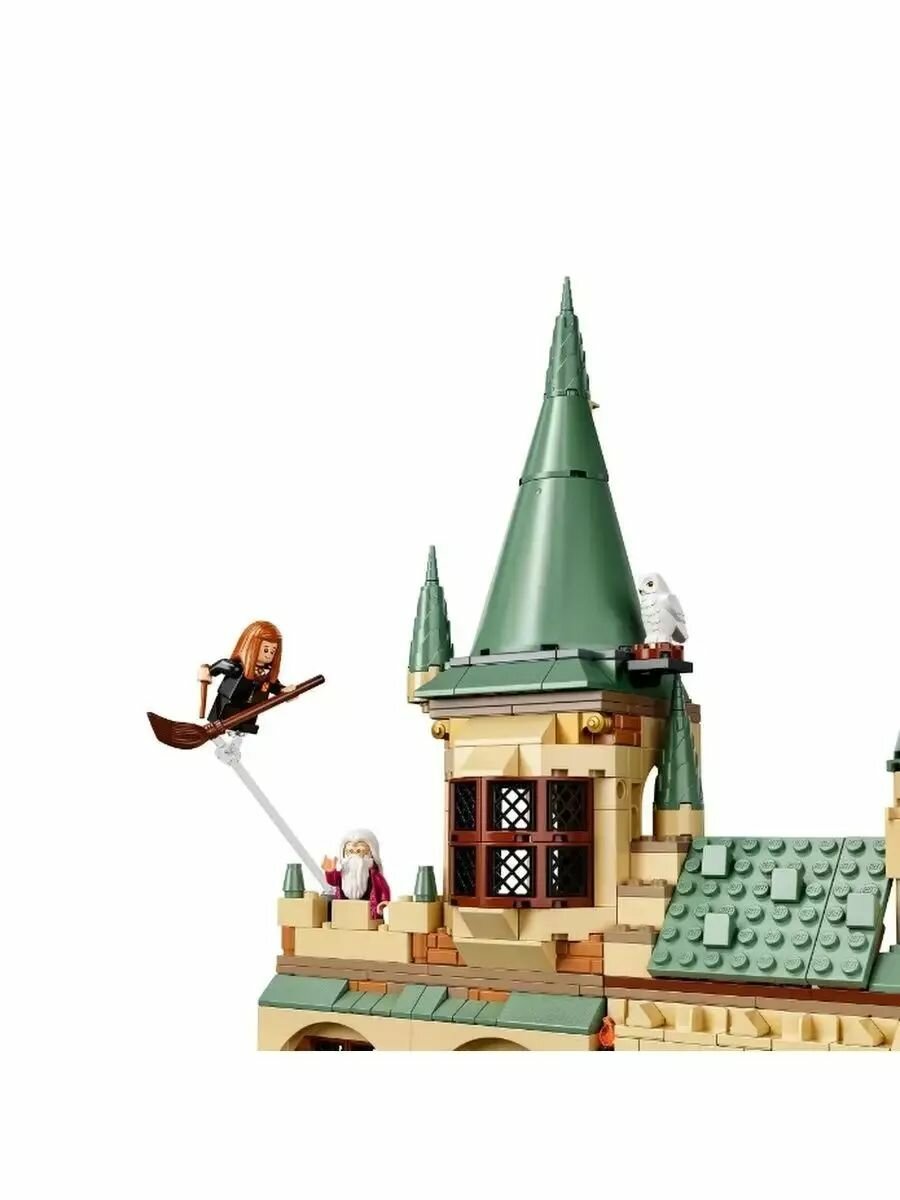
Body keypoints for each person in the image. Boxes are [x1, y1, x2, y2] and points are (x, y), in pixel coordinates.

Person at [199, 620, 297, 734]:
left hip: (252, 710)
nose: (268, 655)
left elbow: (274, 686)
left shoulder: (266, 675)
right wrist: (208, 670)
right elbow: (221, 665)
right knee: (219, 732)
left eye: (272, 651)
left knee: (241, 733)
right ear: (251, 646)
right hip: (228, 708)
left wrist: (284, 691)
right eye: (265, 650)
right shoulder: (236, 668)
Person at [321, 829, 391, 920]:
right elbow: (333, 881)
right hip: (345, 911)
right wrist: (330, 871)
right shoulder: (344, 871)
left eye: (359, 851)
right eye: (350, 851)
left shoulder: (374, 875)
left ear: (371, 853)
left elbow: (382, 889)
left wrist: (383, 902)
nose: (354, 856)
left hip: (367, 912)